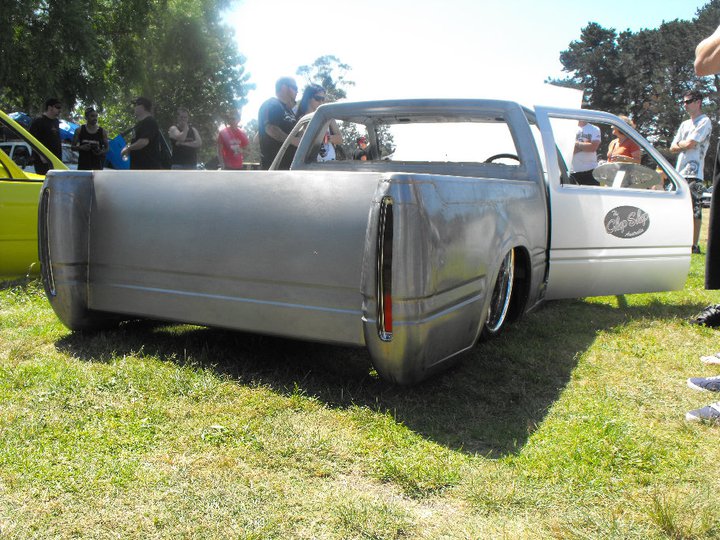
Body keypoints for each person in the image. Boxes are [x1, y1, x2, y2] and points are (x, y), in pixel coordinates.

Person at [670, 90, 712, 255]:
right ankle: (679, 242)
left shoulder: (705, 121)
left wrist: (682, 144)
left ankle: (694, 245)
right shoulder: (684, 124)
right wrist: (684, 143)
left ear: (698, 102)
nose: (685, 105)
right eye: (684, 102)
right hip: (678, 173)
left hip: (694, 173)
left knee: (695, 210)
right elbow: (672, 147)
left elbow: (690, 144)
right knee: (677, 209)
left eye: (688, 102)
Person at [258, 77, 299, 170]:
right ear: (284, 87)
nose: (297, 91)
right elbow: (270, 129)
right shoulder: (272, 104)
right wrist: (293, 141)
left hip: (289, 167)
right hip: (275, 168)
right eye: (295, 88)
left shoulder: (288, 110)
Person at [295, 84, 342, 162]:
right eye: (317, 98)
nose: (321, 102)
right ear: (308, 98)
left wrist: (327, 138)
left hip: (330, 162)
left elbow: (340, 139)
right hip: (309, 164)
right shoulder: (301, 119)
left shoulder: (328, 117)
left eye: (323, 99)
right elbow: (300, 142)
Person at [121, 96, 162, 170]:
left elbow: (143, 142)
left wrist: (128, 148)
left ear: (142, 107)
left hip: (147, 168)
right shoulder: (139, 124)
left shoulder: (149, 121)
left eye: (136, 105)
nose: (134, 107)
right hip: (138, 168)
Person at [29, 97, 62, 175]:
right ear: (50, 107)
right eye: (57, 107)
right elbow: (32, 140)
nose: (59, 110)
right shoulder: (38, 121)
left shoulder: (56, 121)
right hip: (43, 161)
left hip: (56, 160)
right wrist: (41, 155)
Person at [570, 120, 601, 186]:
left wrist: (576, 143)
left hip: (591, 172)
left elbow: (593, 147)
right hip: (572, 172)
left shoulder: (594, 129)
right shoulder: (569, 128)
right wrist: (585, 145)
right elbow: (569, 150)